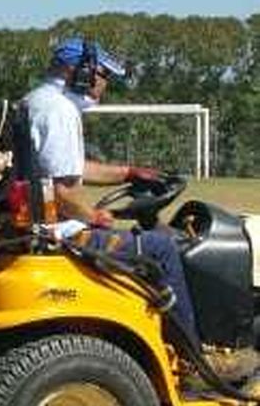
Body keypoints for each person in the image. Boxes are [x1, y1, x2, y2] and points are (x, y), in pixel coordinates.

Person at [20, 36, 258, 386]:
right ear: (81, 71)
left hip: (43, 226)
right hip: (63, 234)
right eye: (103, 75)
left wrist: (128, 173)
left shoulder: (37, 101)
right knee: (162, 249)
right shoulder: (59, 111)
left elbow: (71, 168)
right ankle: (195, 362)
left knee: (147, 241)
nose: (103, 86)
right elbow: (60, 192)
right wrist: (95, 217)